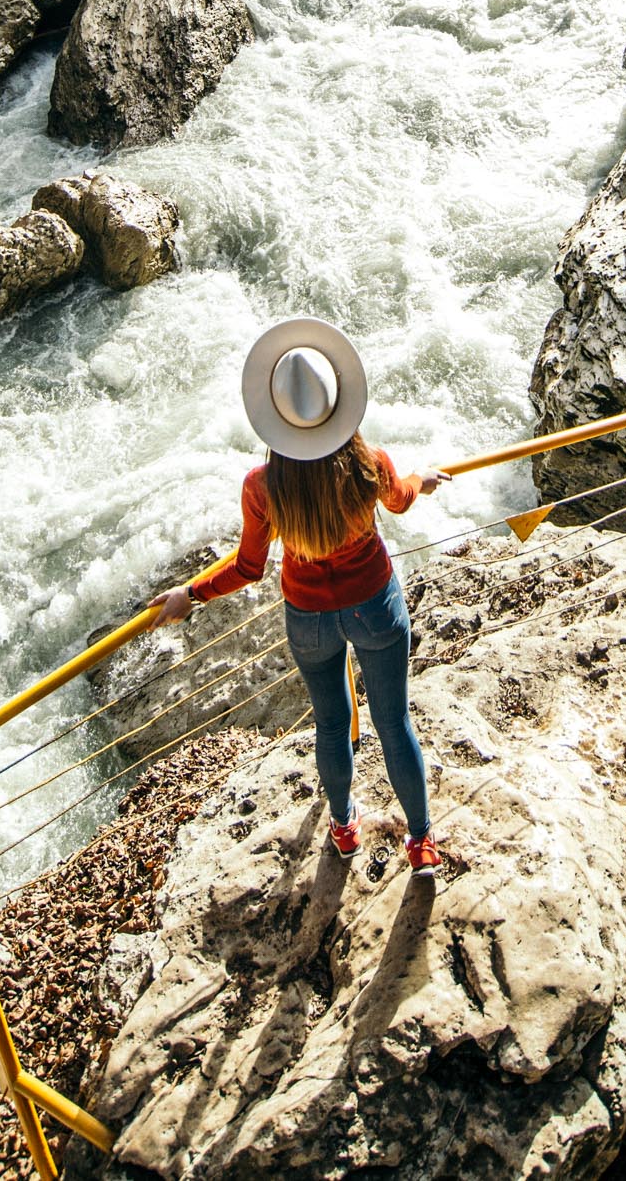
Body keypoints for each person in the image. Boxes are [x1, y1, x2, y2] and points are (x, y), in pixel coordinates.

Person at [154, 319, 449, 871]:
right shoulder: (369, 464)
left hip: (309, 617)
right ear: (338, 407)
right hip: (375, 607)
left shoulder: (262, 487)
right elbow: (401, 500)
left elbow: (246, 568)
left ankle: (343, 827)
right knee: (393, 722)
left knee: (333, 724)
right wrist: (420, 478)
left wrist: (190, 594)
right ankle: (421, 842)